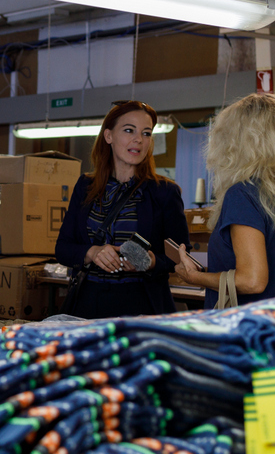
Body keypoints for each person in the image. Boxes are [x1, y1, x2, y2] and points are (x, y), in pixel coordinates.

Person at [174, 93, 275, 307]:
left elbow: (252, 282)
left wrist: (195, 277)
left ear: (234, 142)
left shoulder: (242, 194)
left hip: (250, 322)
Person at [55, 100, 189, 319]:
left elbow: (182, 256)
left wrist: (151, 262)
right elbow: (62, 248)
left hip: (142, 306)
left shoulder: (164, 192)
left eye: (146, 133)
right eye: (129, 130)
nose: (138, 139)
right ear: (108, 136)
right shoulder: (85, 186)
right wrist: (92, 252)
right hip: (88, 304)